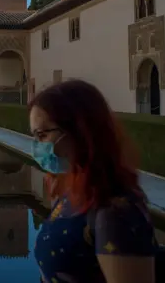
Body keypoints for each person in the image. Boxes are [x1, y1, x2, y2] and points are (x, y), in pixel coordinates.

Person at [29, 79, 156, 283]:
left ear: (80, 130)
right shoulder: (73, 194)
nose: (37, 146)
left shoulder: (115, 212)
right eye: (34, 135)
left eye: (42, 135)